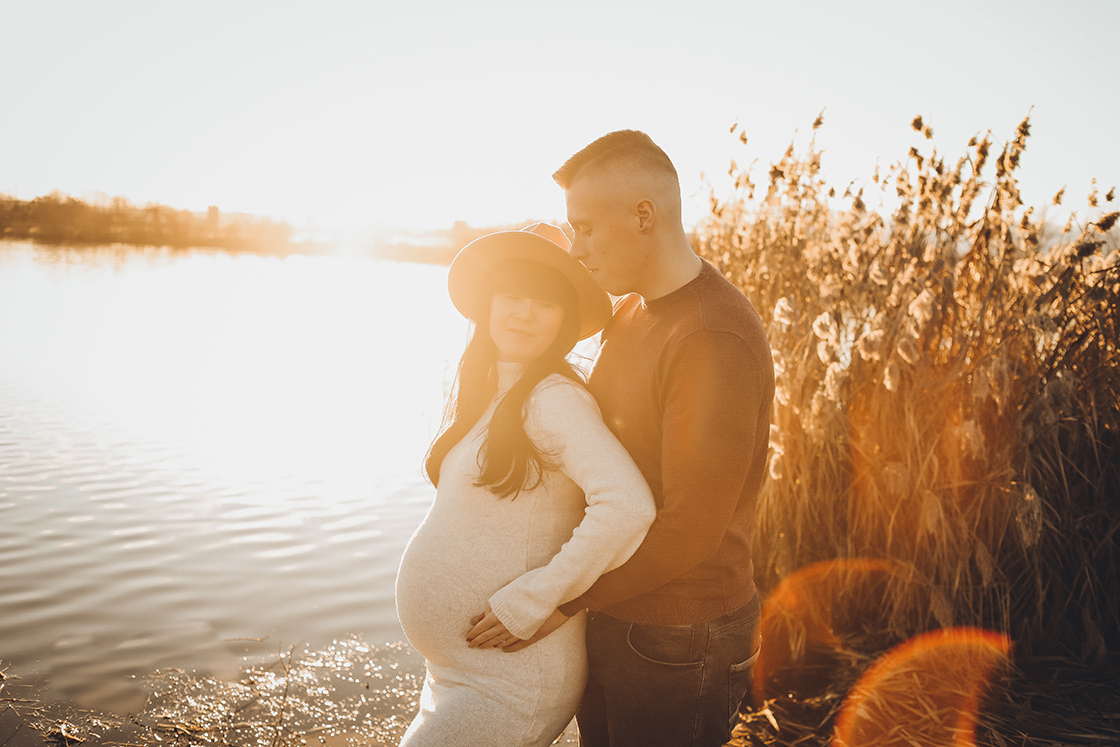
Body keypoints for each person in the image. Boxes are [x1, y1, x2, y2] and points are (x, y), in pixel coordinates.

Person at [504, 130, 775, 746]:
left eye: (587, 229)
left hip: (678, 635)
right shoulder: (633, 309)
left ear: (644, 215)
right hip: (623, 611)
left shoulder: (711, 336)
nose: (577, 249)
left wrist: (563, 600)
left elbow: (692, 530)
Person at [394, 222, 656, 747]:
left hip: (510, 680)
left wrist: (534, 601)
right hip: (458, 672)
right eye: (511, 295)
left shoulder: (553, 398)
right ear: (489, 304)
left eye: (543, 302)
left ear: (562, 321)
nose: (522, 312)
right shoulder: (493, 390)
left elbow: (628, 506)